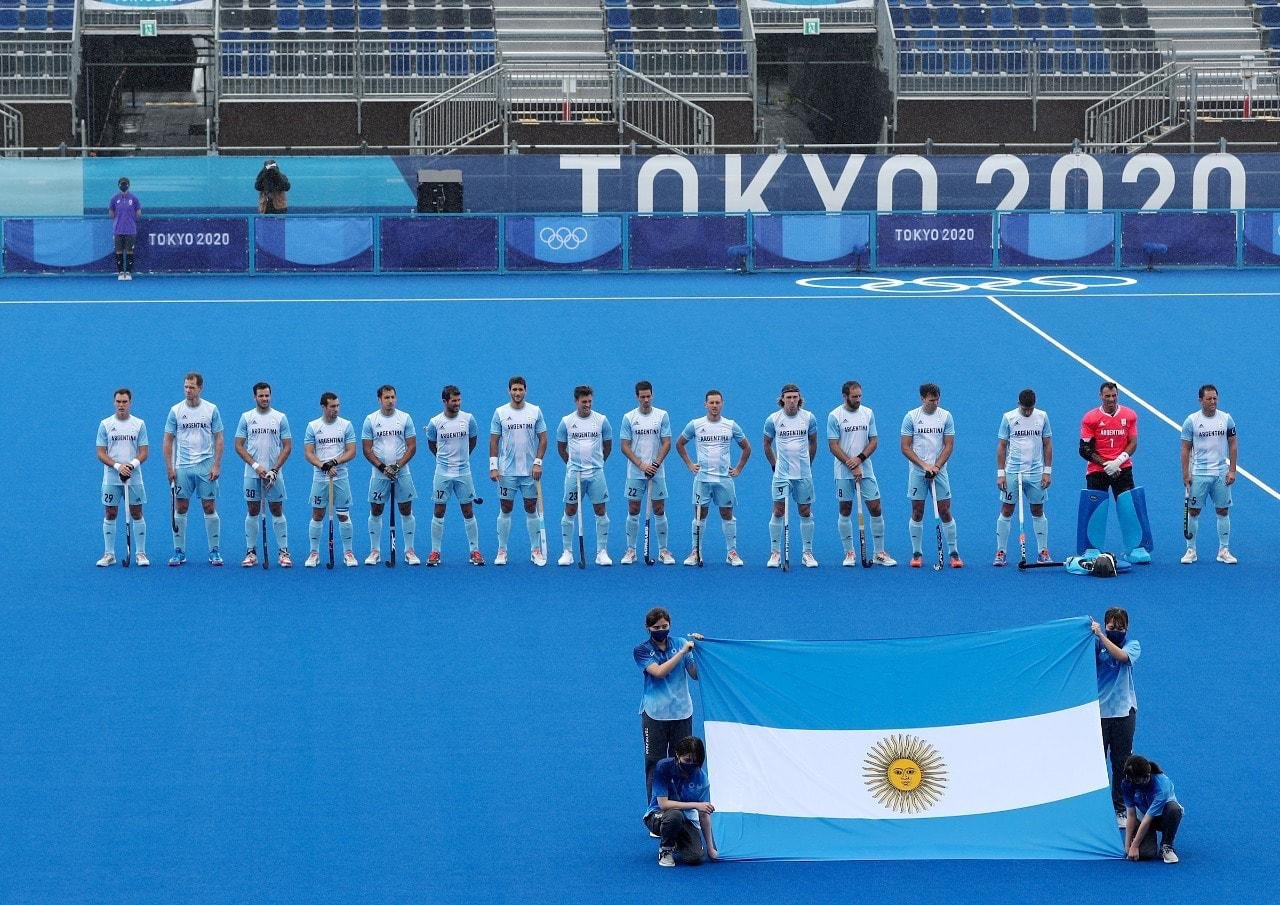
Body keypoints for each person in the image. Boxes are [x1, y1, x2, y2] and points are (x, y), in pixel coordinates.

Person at [675, 389, 750, 566]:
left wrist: (738, 468)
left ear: (722, 404)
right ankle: (696, 552)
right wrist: (690, 464)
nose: (714, 406)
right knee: (699, 515)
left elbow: (747, 448)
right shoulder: (695, 424)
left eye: (717, 402)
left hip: (724, 480)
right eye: (711, 403)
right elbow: (679, 444)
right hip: (702, 480)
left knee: (727, 514)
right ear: (705, 404)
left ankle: (731, 552)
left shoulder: (731, 425)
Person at [827, 380, 896, 567]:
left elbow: (873, 441)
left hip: (865, 469)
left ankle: (879, 552)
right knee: (845, 509)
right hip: (843, 471)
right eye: (854, 396)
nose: (858, 399)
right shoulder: (835, 416)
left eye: (860, 396)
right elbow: (833, 445)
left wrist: (859, 459)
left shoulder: (868, 413)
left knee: (875, 508)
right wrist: (851, 464)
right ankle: (849, 552)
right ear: (845, 396)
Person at [635, 607, 702, 799]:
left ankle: (679, 806)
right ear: (648, 628)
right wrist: (681, 653)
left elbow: (695, 674)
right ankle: (655, 809)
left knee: (682, 761)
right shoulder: (642, 650)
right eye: (656, 627)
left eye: (665, 626)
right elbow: (659, 672)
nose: (661, 630)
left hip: (682, 713)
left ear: (670, 625)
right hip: (655, 715)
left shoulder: (680, 643)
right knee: (655, 763)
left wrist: (700, 649)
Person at [1079, 381, 1149, 563]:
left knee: (1128, 507)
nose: (1111, 399)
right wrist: (1106, 464)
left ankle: (1134, 548)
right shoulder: (1090, 418)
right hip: (1097, 470)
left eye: (1114, 395)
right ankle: (1092, 549)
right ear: (1100, 396)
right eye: (1107, 396)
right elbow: (1084, 449)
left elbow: (1133, 442)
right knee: (1096, 510)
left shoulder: (1129, 415)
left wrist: (1117, 462)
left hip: (1122, 468)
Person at [163, 372, 225, 567]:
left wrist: (216, 464)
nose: (188, 390)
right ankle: (179, 551)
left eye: (192, 387)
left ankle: (214, 550)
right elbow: (167, 440)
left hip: (206, 465)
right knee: (181, 507)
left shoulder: (211, 409)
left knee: (209, 507)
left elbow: (219, 438)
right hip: (182, 466)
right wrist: (170, 467)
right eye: (186, 387)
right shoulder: (175, 411)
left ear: (200, 388)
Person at [899, 382, 961, 568]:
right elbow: (905, 447)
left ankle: (954, 553)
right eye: (931, 400)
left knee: (945, 511)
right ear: (922, 399)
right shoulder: (911, 417)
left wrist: (936, 466)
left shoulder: (946, 416)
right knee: (917, 511)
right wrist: (924, 465)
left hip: (939, 471)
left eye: (937, 400)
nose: (935, 403)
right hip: (918, 471)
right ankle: (916, 553)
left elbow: (949, 445)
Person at [489, 376, 549, 566]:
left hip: (530, 472)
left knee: (531, 508)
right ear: (509, 391)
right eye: (514, 389)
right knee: (505, 508)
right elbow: (494, 441)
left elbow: (543, 438)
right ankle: (502, 550)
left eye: (520, 389)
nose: (517, 393)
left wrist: (538, 463)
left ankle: (535, 550)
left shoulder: (535, 411)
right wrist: (493, 466)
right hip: (507, 472)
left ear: (525, 390)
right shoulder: (500, 412)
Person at [233, 381, 293, 568]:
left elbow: (287, 446)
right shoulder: (246, 417)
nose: (264, 398)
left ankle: (283, 552)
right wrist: (255, 466)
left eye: (267, 395)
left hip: (274, 475)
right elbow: (238, 445)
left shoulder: (280, 417)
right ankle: (251, 552)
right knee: (253, 510)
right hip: (252, 474)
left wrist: (274, 470)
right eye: (261, 396)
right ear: (255, 397)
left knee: (277, 510)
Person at [994, 388, 1054, 566]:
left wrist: (1047, 471)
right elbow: (1002, 446)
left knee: (1038, 510)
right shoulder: (1009, 418)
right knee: (1007, 510)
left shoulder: (1042, 417)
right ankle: (1001, 552)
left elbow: (1047, 444)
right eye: (1025, 409)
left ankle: (1043, 552)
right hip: (1013, 472)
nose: (1028, 412)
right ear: (1018, 404)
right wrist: (1001, 474)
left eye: (1030, 409)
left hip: (1036, 472)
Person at [1179, 384, 1238, 565]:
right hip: (1199, 474)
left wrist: (1232, 470)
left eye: (1215, 398)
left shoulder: (1226, 419)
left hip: (1221, 474)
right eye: (1209, 399)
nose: (1213, 402)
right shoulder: (1191, 421)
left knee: (1223, 510)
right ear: (1200, 400)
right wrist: (1186, 474)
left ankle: (1224, 550)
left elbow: (1233, 444)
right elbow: (1185, 449)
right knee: (1194, 511)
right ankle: (1191, 550)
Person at [425, 385, 483, 566]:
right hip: (442, 473)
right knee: (439, 511)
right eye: (454, 401)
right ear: (444, 401)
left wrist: (461, 460)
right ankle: (435, 552)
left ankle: (475, 551)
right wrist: (444, 460)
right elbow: (431, 444)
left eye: (459, 400)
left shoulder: (469, 419)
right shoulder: (435, 422)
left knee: (468, 511)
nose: (457, 403)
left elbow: (472, 441)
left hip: (464, 472)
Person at [1092, 608, 1140, 827]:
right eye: (1111, 627)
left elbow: (1121, 657)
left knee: (1121, 764)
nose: (1116, 631)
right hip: (1099, 714)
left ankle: (1120, 808)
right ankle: (1095, 808)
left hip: (1123, 714)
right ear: (1105, 624)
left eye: (1120, 628)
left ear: (1126, 628)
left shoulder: (1133, 645)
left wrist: (1102, 636)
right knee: (1097, 763)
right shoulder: (1095, 645)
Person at [362, 384, 419, 565]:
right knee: (376, 510)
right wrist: (382, 467)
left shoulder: (405, 418)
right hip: (379, 475)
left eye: (393, 397)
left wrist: (397, 466)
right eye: (386, 397)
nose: (390, 401)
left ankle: (409, 550)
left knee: (406, 510)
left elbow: (412, 446)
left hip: (402, 473)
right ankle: (375, 551)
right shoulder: (371, 420)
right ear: (379, 399)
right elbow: (367, 449)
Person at [764, 383, 820, 568]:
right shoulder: (773, 419)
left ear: (799, 399)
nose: (792, 401)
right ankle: (775, 553)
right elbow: (767, 444)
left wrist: (808, 464)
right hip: (781, 474)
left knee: (805, 511)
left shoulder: (809, 418)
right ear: (782, 399)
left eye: (795, 397)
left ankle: (807, 553)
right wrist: (774, 464)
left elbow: (813, 442)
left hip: (803, 474)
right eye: (788, 397)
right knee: (778, 511)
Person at [556, 385, 613, 566]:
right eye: (584, 402)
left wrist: (598, 463)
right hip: (575, 474)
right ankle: (567, 552)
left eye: (589, 401)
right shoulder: (566, 422)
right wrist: (572, 465)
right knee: (570, 511)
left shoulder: (602, 420)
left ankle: (602, 552)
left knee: (601, 511)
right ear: (576, 401)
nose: (587, 405)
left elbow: (608, 445)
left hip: (596, 473)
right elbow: (561, 448)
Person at [643, 736, 719, 868]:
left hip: (685, 820)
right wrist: (696, 805)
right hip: (657, 816)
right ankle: (665, 850)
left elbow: (704, 814)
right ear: (677, 755)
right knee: (674, 815)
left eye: (695, 761)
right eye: (687, 760)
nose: (690, 764)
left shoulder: (701, 779)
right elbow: (663, 804)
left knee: (695, 857)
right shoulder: (663, 767)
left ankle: (676, 839)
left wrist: (710, 848)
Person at [620, 381, 674, 565]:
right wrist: (642, 465)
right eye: (642, 397)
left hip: (657, 472)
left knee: (659, 509)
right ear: (637, 397)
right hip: (635, 473)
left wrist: (655, 464)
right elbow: (624, 446)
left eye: (648, 396)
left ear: (652, 395)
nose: (646, 400)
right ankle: (631, 550)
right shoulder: (629, 417)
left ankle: (663, 551)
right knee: (633, 509)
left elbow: (667, 442)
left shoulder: (662, 415)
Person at [302, 391, 358, 567]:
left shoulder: (346, 425)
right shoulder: (313, 426)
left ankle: (348, 552)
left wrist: (334, 462)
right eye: (332, 406)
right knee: (317, 514)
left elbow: (351, 451)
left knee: (343, 514)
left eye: (338, 406)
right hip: (320, 478)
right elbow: (308, 453)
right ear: (323, 407)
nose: (336, 409)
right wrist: (323, 466)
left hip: (340, 477)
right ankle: (314, 553)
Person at [95, 387, 150, 566]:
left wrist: (131, 465)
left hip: (134, 477)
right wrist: (118, 466)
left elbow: (144, 452)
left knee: (136, 512)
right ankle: (109, 554)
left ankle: (140, 554)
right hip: (111, 478)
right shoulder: (105, 424)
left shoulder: (139, 424)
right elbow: (100, 453)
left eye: (124, 402)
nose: (121, 405)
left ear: (130, 403)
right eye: (118, 401)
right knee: (110, 513)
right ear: (114, 403)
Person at [1121, 755, 1183, 864]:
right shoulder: (1127, 784)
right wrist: (1127, 847)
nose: (1143, 782)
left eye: (1144, 778)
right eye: (1137, 780)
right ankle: (1141, 838)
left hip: (1162, 817)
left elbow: (1148, 819)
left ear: (1148, 775)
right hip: (1143, 817)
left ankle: (1166, 846)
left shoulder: (1162, 786)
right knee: (1145, 854)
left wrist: (1134, 845)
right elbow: (1131, 815)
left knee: (1174, 809)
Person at [108, 176, 141, 280]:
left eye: (125, 184)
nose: (123, 186)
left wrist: (131, 219)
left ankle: (129, 273)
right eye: (122, 184)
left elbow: (138, 212)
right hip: (118, 229)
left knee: (129, 251)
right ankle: (121, 273)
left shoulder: (134, 198)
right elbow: (111, 212)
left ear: (128, 185)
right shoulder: (114, 198)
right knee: (119, 251)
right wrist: (118, 219)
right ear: (118, 185)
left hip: (130, 230)